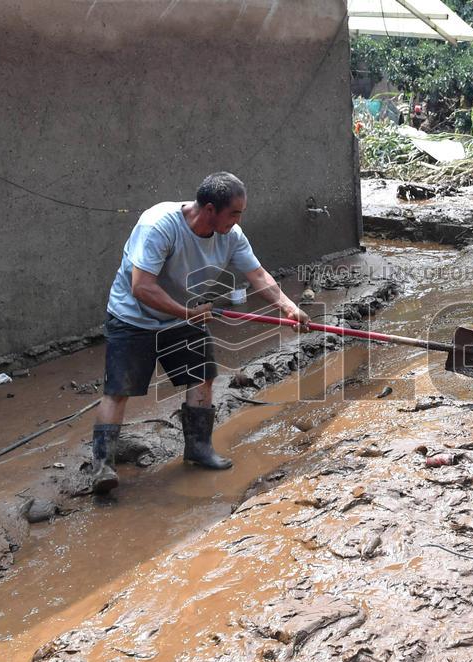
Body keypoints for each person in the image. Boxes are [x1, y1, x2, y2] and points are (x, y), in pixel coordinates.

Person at [90, 172, 310, 493]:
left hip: (185, 314)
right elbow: (142, 287)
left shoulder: (231, 235)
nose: (237, 221)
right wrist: (188, 314)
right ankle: (102, 467)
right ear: (209, 210)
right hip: (133, 317)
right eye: (233, 213)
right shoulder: (159, 226)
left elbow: (258, 275)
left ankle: (198, 448)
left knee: (202, 376)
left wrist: (289, 307)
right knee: (118, 390)